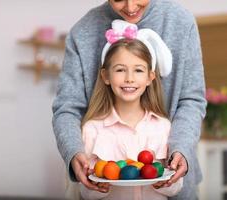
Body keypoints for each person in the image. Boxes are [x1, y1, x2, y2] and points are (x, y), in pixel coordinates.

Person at [52, 0, 206, 199]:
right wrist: (74, 153)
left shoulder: (181, 22)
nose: (130, 7)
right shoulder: (82, 32)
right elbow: (67, 108)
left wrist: (181, 149)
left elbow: (192, 99)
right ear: (105, 75)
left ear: (151, 76)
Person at [79, 19, 182, 200]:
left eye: (138, 70)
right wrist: (96, 186)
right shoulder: (92, 128)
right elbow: (84, 191)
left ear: (150, 77)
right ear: (106, 76)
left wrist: (165, 184)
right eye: (120, 70)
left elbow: (176, 187)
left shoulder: (163, 126)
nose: (129, 78)